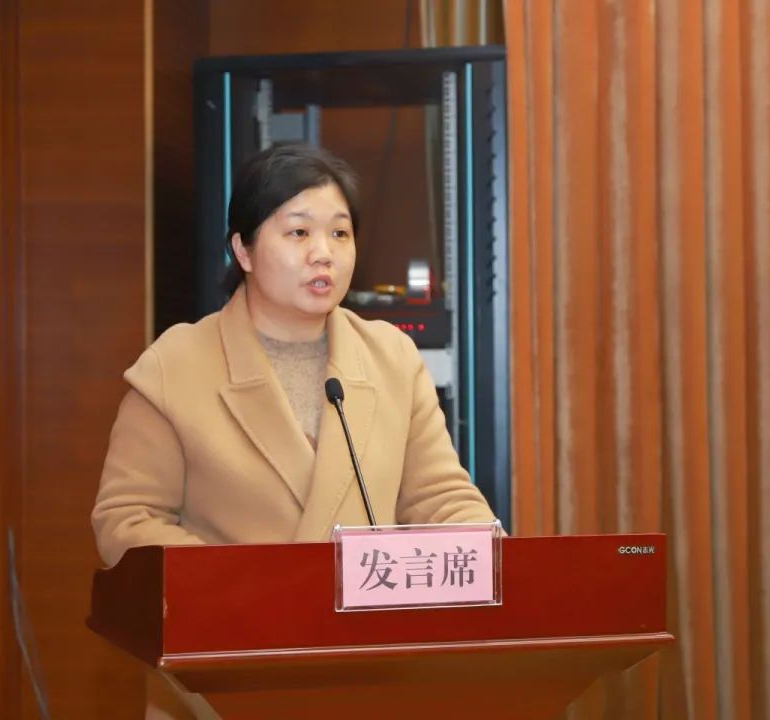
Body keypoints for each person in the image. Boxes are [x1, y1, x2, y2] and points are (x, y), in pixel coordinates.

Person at [91, 143, 498, 719]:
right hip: (221, 679)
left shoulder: (391, 358)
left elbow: (441, 497)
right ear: (244, 249)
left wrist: (492, 562)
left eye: (340, 233)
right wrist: (249, 589)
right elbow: (127, 520)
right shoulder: (175, 365)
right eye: (299, 232)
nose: (323, 253)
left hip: (370, 677)